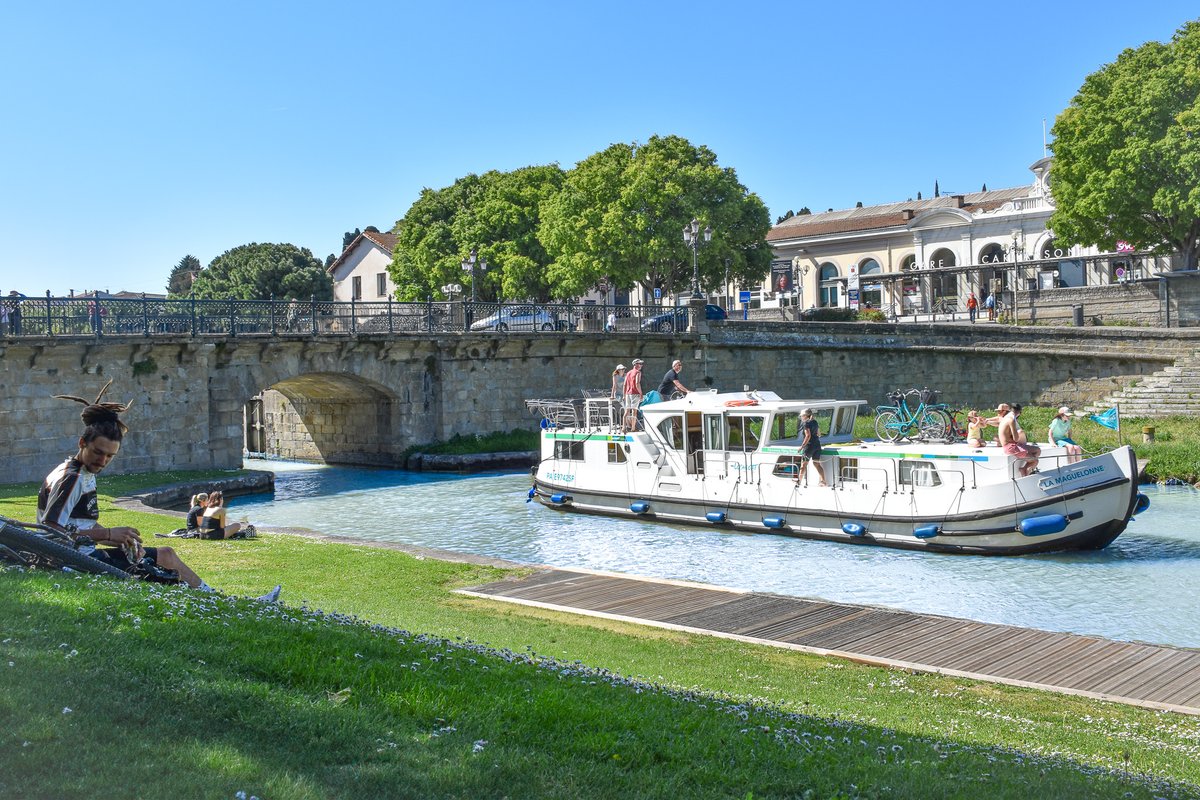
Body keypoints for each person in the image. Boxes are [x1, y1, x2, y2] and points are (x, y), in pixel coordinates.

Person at [37, 381, 279, 601]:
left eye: (110, 456)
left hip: (79, 555)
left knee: (165, 554)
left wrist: (120, 539)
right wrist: (109, 533)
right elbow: (50, 531)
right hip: (73, 561)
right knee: (166, 556)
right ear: (82, 443)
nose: (103, 460)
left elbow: (77, 522)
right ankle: (219, 601)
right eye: (98, 452)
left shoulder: (80, 471)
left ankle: (216, 598)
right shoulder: (73, 478)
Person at [997, 402, 1039, 477]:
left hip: (1010, 446)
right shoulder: (1011, 419)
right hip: (1011, 447)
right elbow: (1016, 438)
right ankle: (1025, 475)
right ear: (1019, 413)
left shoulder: (1005, 418)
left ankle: (1025, 469)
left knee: (1037, 450)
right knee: (1035, 461)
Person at [795, 408, 827, 487]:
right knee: (817, 464)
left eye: (802, 416)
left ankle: (799, 481)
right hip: (817, 446)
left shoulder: (806, 424)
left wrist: (802, 447)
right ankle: (823, 481)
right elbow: (819, 434)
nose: (801, 417)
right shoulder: (815, 422)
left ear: (805, 416)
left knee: (803, 465)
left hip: (809, 447)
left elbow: (808, 435)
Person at [621, 359, 644, 432]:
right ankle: (633, 428)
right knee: (634, 411)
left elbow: (624, 384)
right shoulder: (638, 372)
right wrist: (641, 393)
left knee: (626, 411)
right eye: (640, 364)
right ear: (635, 364)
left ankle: (624, 427)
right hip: (635, 393)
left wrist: (624, 394)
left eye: (641, 364)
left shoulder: (628, 373)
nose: (641, 365)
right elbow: (637, 383)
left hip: (628, 393)